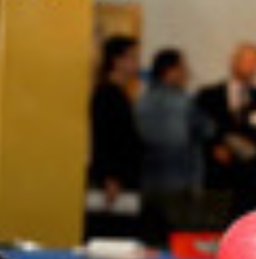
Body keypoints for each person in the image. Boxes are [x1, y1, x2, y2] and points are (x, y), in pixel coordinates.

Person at [136, 48, 211, 247]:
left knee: (150, 244)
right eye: (183, 68)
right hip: (180, 186)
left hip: (148, 185)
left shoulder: (141, 102)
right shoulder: (183, 103)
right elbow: (207, 130)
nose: (188, 73)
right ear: (171, 71)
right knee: (179, 246)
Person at [196, 42, 256, 221]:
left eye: (255, 62)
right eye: (247, 61)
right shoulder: (208, 96)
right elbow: (196, 133)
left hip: (249, 183)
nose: (252, 66)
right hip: (217, 181)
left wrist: (251, 149)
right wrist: (213, 148)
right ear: (234, 62)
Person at [88, 35, 143, 217]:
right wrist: (110, 176)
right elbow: (104, 138)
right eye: (133, 57)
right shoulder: (106, 95)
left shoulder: (121, 95)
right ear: (117, 61)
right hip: (113, 182)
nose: (137, 63)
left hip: (123, 178)